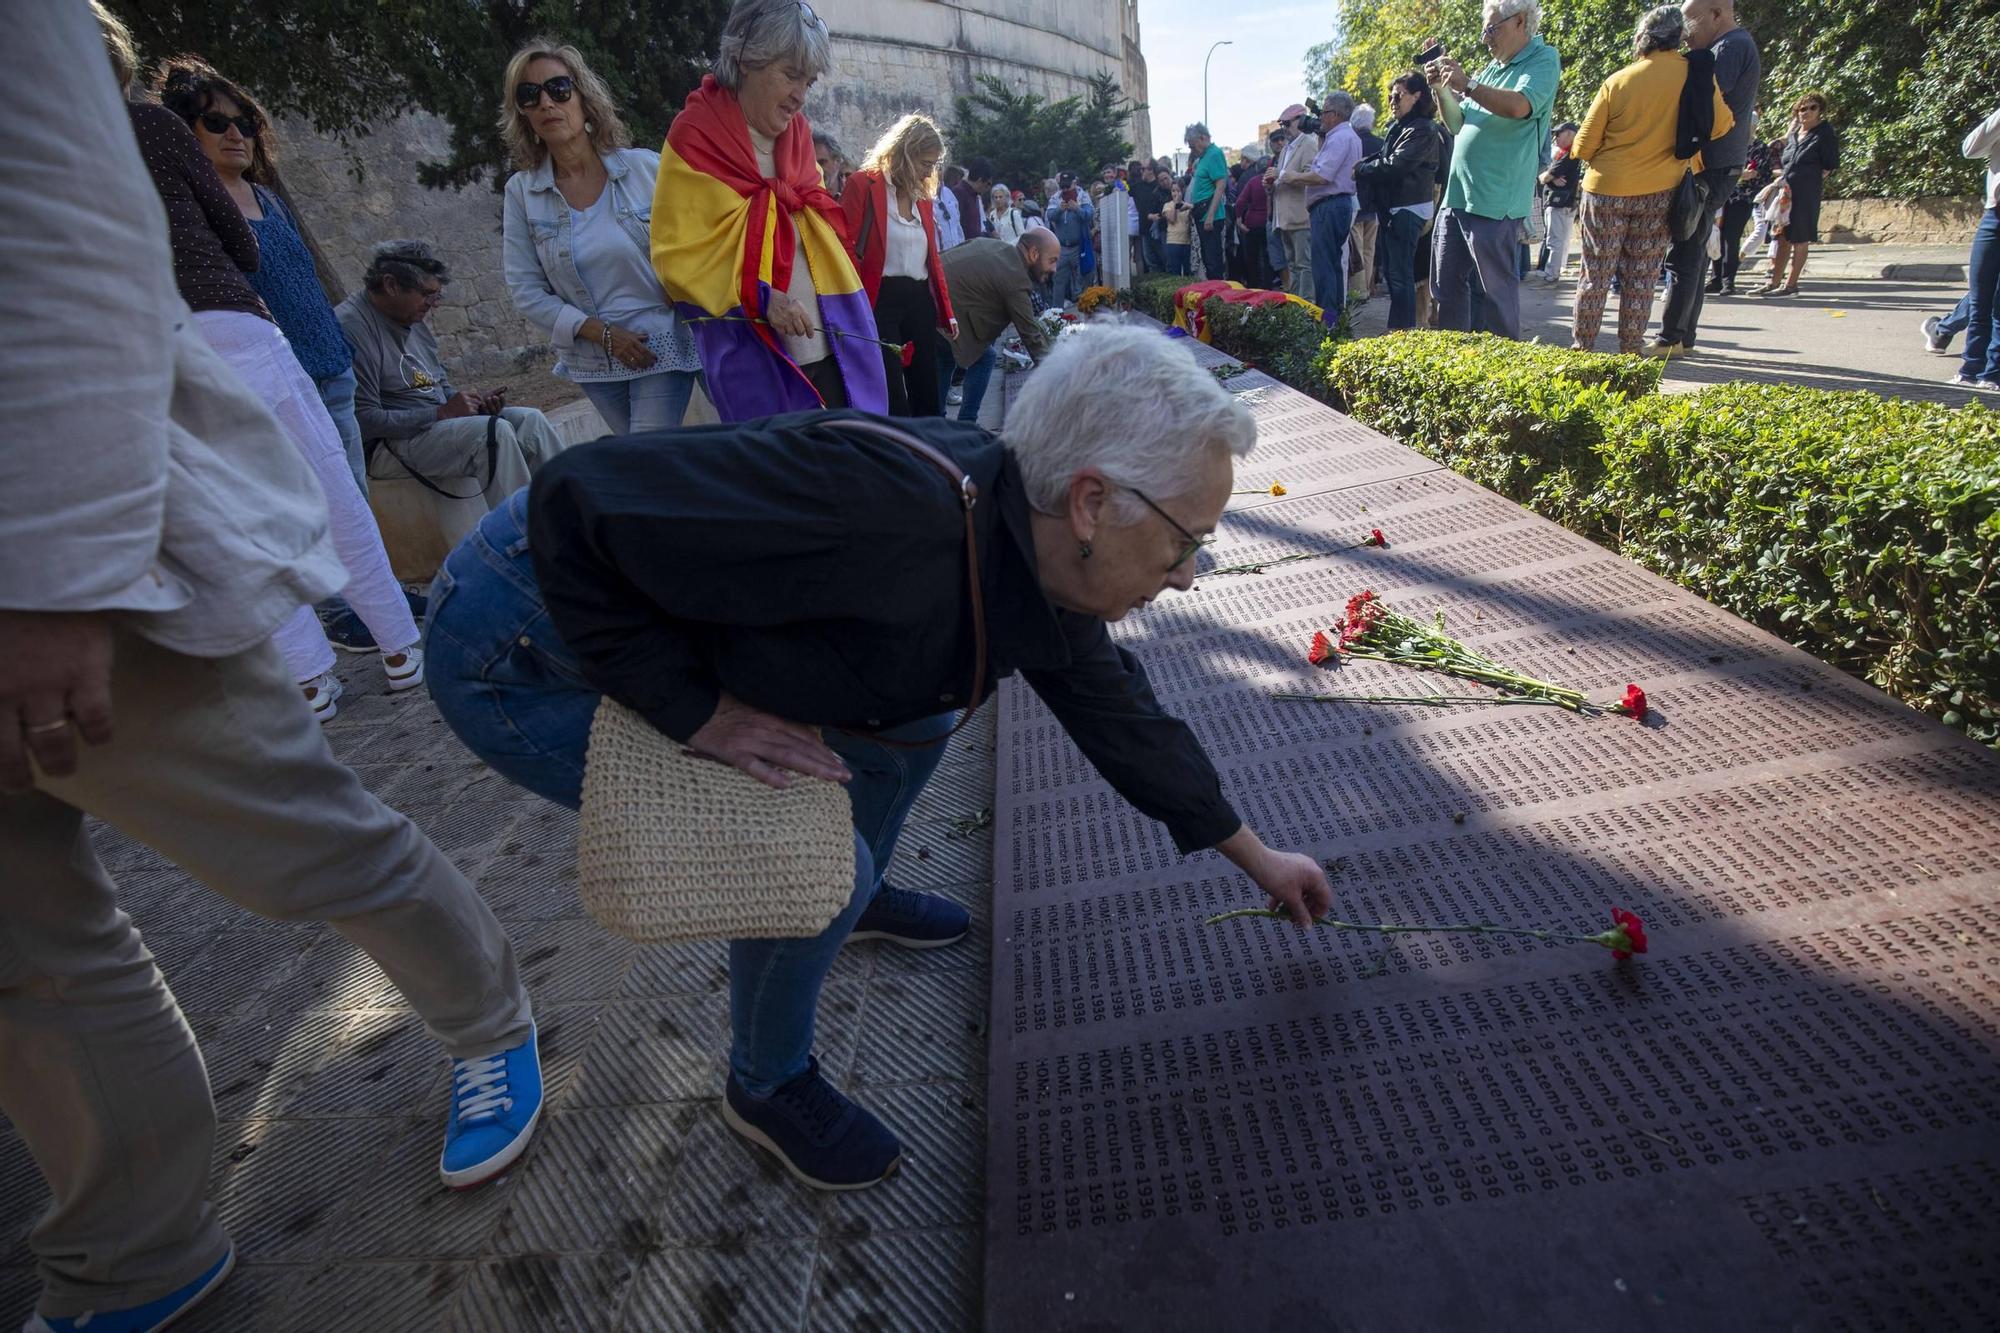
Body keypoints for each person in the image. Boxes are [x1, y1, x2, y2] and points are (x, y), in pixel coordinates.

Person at [422, 323, 1336, 1192]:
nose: (1185, 575)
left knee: (922, 720)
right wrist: (695, 711)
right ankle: (767, 1080)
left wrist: (1258, 857)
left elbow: (1123, 720)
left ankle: (850, 901)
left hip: (637, 600)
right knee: (822, 862)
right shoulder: (873, 513)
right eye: (1187, 541)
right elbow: (575, 501)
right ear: (1093, 501)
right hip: (526, 638)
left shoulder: (1038, 545)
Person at [3, 9, 545, 1330]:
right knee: (21, 942)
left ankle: (490, 1023)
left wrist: (56, 568)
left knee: (298, 840)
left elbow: (74, 234)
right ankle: (134, 1251)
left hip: (58, 550)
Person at [147, 60, 426, 721]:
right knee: (276, 517)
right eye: (216, 123)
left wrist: (339, 356)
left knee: (345, 500)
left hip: (321, 369)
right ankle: (335, 643)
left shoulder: (267, 198)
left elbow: (303, 285)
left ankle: (382, 632)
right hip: (260, 366)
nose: (235, 134)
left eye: (244, 121)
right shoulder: (191, 206)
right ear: (185, 134)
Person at [652, 0, 887, 416]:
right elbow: (679, 257)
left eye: (809, 82)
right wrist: (762, 298)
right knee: (777, 477)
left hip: (831, 344)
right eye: (791, 75)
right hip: (754, 355)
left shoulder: (797, 133)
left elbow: (814, 220)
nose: (800, 96)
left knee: (848, 469)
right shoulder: (694, 137)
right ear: (747, 59)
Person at [499, 38, 702, 436]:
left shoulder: (646, 169)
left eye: (558, 89)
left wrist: (683, 284)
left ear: (584, 99)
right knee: (647, 474)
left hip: (659, 340)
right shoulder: (522, 194)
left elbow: (698, 237)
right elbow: (526, 289)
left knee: (645, 462)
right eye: (529, 95)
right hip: (592, 357)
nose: (546, 103)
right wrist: (602, 335)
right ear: (522, 114)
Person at [338, 241, 571, 510]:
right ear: (391, 285)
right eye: (427, 294)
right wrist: (441, 414)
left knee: (531, 421)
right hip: (387, 447)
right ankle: (521, 539)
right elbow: (363, 421)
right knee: (492, 434)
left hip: (432, 426)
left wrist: (472, 406)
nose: (433, 305)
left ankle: (573, 517)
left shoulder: (411, 317)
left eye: (437, 296)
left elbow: (438, 387)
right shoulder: (351, 328)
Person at [1569, 6, 1733, 355]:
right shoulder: (1697, 74)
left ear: (1642, 39)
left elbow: (1582, 146)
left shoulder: (1619, 80)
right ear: (1680, 37)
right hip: (1662, 191)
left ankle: (1582, 350)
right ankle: (1630, 353)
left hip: (1606, 191)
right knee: (1641, 279)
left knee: (1595, 276)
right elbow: (1720, 126)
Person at [1424, 0, 1563, 339]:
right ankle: (1452, 371)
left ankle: (1504, 379)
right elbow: (1456, 123)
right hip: (1456, 198)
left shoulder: (1544, 60)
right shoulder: (1491, 69)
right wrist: (1441, 87)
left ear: (1520, 22)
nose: (1485, 38)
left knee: (1495, 299)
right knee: (1446, 293)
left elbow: (1519, 105)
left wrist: (1467, 84)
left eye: (1491, 28)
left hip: (1495, 200)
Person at [1652, 0, 1760, 353]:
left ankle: (1672, 338)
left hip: (1711, 164)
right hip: (1716, 163)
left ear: (1717, 14)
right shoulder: (1728, 45)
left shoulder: (1729, 47)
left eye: (1690, 22)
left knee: (1685, 250)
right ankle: (1682, 337)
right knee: (1691, 247)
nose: (1684, 33)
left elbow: (1704, 99)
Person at [841, 113, 958, 417]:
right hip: (880, 298)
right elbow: (846, 248)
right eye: (925, 163)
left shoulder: (923, 197)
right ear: (905, 153)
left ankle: (931, 453)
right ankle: (899, 454)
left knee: (927, 388)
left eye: (933, 165)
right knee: (891, 390)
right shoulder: (862, 184)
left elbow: (932, 258)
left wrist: (947, 312)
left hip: (919, 298)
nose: (928, 172)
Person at [938, 228, 1059, 421]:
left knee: (960, 358)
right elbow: (1030, 334)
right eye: (1052, 260)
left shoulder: (998, 248)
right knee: (979, 358)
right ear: (1034, 253)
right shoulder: (1015, 276)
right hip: (940, 317)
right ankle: (960, 424)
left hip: (937, 307)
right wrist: (1059, 375)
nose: (1054, 268)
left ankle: (943, 423)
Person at [1357, 73, 1444, 331]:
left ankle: (1402, 332)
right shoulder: (1402, 126)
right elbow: (1386, 157)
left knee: (1401, 275)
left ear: (1417, 96)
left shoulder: (1423, 128)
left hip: (1408, 209)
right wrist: (1366, 165)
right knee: (1397, 275)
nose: (1391, 101)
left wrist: (1362, 169)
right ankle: (1401, 330)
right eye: (1390, 96)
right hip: (1396, 209)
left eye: (1397, 96)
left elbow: (1396, 164)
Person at [1283, 94, 1362, 327]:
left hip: (1329, 205)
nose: (1320, 118)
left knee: (1323, 267)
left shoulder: (1339, 138)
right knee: (1333, 264)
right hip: (1337, 204)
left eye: (1324, 113)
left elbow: (1321, 175)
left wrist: (1292, 176)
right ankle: (1336, 319)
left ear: (1335, 114)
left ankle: (1327, 322)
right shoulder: (1346, 136)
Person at [1757, 92, 1839, 296]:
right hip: (1786, 193)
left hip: (1806, 193)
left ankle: (1791, 285)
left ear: (1820, 111)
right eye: (1803, 109)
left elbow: (1830, 164)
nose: (1807, 112)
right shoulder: (1793, 136)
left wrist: (1810, 180)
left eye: (1813, 108)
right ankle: (1774, 282)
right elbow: (1782, 160)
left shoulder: (1824, 133)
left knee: (1800, 238)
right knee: (1782, 237)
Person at [1952, 104, 2000, 390]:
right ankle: (1969, 371)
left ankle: (1993, 375)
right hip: (1993, 216)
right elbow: (1971, 149)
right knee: (1979, 297)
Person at [1267, 104, 1321, 301]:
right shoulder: (1286, 149)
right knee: (1292, 264)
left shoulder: (1308, 143)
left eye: (1287, 124)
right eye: (1281, 124)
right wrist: (1271, 183)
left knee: (1304, 264)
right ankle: (1297, 303)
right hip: (1284, 218)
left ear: (1300, 120)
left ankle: (1306, 305)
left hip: (1300, 216)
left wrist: (1281, 175)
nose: (1284, 128)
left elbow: (1311, 176)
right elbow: (1283, 178)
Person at [1710, 133, 1773, 294]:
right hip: (1722, 196)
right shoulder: (1729, 143)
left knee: (1731, 238)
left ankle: (1728, 281)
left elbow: (1764, 173)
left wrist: (1751, 174)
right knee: (1718, 235)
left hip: (1743, 198)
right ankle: (1716, 279)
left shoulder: (1760, 147)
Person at [1534, 122, 1580, 282]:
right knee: (1560, 240)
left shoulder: (1569, 155)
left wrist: (1549, 177)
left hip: (1559, 203)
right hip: (1566, 202)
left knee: (1554, 240)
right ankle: (1555, 271)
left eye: (1558, 134)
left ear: (1569, 134)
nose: (1556, 138)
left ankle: (1551, 274)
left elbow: (1544, 177)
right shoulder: (1570, 153)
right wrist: (1551, 178)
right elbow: (1546, 177)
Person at [1186, 123, 1231, 280]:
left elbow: (1220, 185)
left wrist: (1210, 215)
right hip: (1202, 213)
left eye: (1193, 146)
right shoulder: (1204, 157)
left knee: (1213, 261)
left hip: (1210, 215)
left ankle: (1218, 296)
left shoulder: (1214, 154)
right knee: (1208, 259)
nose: (1192, 150)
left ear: (1202, 138)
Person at [1348, 104, 1385, 298]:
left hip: (1354, 201)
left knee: (1356, 249)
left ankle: (1358, 290)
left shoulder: (1351, 142)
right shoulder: (1381, 144)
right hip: (1374, 204)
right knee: (1369, 249)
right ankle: (1367, 288)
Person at [1046, 170, 1095, 303]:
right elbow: (1049, 216)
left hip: (1080, 247)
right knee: (1058, 282)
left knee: (1083, 282)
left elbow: (1090, 215)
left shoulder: (1083, 196)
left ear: (1075, 182)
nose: (1065, 189)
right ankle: (1057, 316)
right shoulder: (1056, 197)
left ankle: (1086, 313)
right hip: (1061, 248)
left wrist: (1077, 208)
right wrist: (1059, 210)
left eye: (1068, 186)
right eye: (1063, 186)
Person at [1234, 152, 1272, 290]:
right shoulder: (1272, 180)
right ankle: (1268, 287)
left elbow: (1240, 202)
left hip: (1252, 224)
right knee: (1268, 258)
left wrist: (1239, 220)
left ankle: (1254, 286)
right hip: (1268, 222)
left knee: (1252, 259)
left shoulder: (1253, 181)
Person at [1097, 162, 1134, 290]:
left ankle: (1125, 289)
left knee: (1123, 262)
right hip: (1109, 231)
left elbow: (1126, 200)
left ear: (1115, 174)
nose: (1107, 175)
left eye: (1109, 172)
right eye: (1105, 173)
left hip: (1122, 227)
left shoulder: (1121, 185)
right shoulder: (1104, 190)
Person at [933, 163, 969, 250]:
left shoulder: (948, 193)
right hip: (938, 254)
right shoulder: (922, 197)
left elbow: (957, 225)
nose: (938, 170)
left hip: (955, 253)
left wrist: (962, 247)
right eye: (933, 166)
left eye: (940, 167)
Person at [1162, 181, 1194, 275]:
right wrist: (1176, 205)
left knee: (1187, 271)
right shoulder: (1167, 205)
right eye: (1173, 191)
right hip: (1173, 241)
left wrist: (1190, 207)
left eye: (1178, 190)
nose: (1175, 193)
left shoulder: (1187, 205)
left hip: (1186, 241)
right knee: (1176, 271)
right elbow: (1172, 219)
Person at [812, 128, 847, 196]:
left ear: (837, 161)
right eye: (811, 164)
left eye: (821, 162)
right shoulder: (801, 196)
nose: (817, 169)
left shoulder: (853, 192)